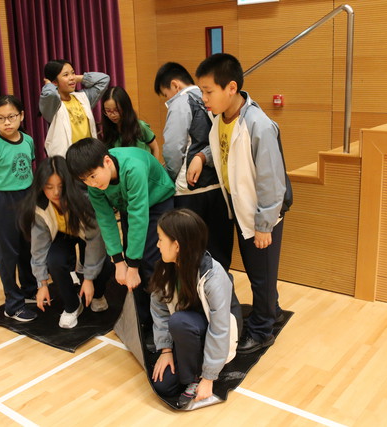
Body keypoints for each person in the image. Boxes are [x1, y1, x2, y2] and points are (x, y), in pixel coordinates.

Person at [195, 53, 293, 354]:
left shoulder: (258, 125)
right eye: (202, 91)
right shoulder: (221, 120)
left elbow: (272, 182)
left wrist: (264, 225)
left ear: (231, 88)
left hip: (262, 214)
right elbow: (225, 150)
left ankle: (262, 331)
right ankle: (272, 311)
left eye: (208, 91)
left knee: (261, 275)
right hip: (240, 209)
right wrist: (201, 156)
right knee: (258, 272)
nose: (204, 98)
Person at [65, 138, 175, 328]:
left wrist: (132, 266)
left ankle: (163, 321)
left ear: (107, 161)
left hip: (157, 202)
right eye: (84, 180)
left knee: (150, 262)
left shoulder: (133, 168)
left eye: (93, 176)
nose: (91, 183)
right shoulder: (95, 185)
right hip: (128, 205)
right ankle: (142, 319)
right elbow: (106, 220)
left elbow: (139, 217)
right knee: (132, 263)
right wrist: (118, 261)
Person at [149, 209, 242, 408]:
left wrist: (208, 377)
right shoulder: (166, 268)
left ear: (177, 245)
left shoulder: (214, 276)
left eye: (161, 239)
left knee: (180, 321)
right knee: (163, 386)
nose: (157, 245)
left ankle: (195, 377)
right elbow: (159, 309)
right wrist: (165, 350)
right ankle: (192, 367)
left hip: (215, 332)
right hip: (189, 333)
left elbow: (220, 328)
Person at [154, 62, 232, 270]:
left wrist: (169, 178)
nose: (167, 100)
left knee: (191, 253)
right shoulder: (216, 100)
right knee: (219, 252)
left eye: (165, 94)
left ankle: (196, 290)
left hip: (189, 189)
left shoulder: (181, 102)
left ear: (175, 85)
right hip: (219, 187)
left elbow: (173, 148)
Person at [19, 156, 114, 329]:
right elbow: (39, 247)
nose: (55, 192)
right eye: (49, 187)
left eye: (61, 186)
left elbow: (95, 240)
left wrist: (88, 278)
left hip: (87, 234)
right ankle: (72, 305)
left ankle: (98, 294)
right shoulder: (39, 207)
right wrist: (42, 283)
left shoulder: (86, 199)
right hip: (61, 234)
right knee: (54, 261)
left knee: (105, 263)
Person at [0, 95, 37, 322]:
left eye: (11, 116)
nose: (7, 122)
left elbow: (29, 168)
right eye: (0, 118)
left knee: (27, 247)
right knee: (8, 253)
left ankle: (30, 290)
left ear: (21, 116)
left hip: (27, 196)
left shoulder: (28, 140)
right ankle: (13, 305)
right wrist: (6, 186)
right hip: (4, 200)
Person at [39, 59, 110, 157]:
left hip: (89, 154)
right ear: (54, 82)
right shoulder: (52, 105)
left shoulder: (83, 97)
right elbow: (50, 94)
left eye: (73, 73)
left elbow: (104, 79)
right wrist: (49, 84)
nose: (72, 77)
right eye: (66, 75)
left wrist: (76, 78)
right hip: (67, 158)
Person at [100, 86, 160, 160]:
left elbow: (155, 148)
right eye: (108, 111)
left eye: (117, 110)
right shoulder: (108, 129)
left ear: (125, 108)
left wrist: (155, 166)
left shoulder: (140, 126)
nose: (112, 115)